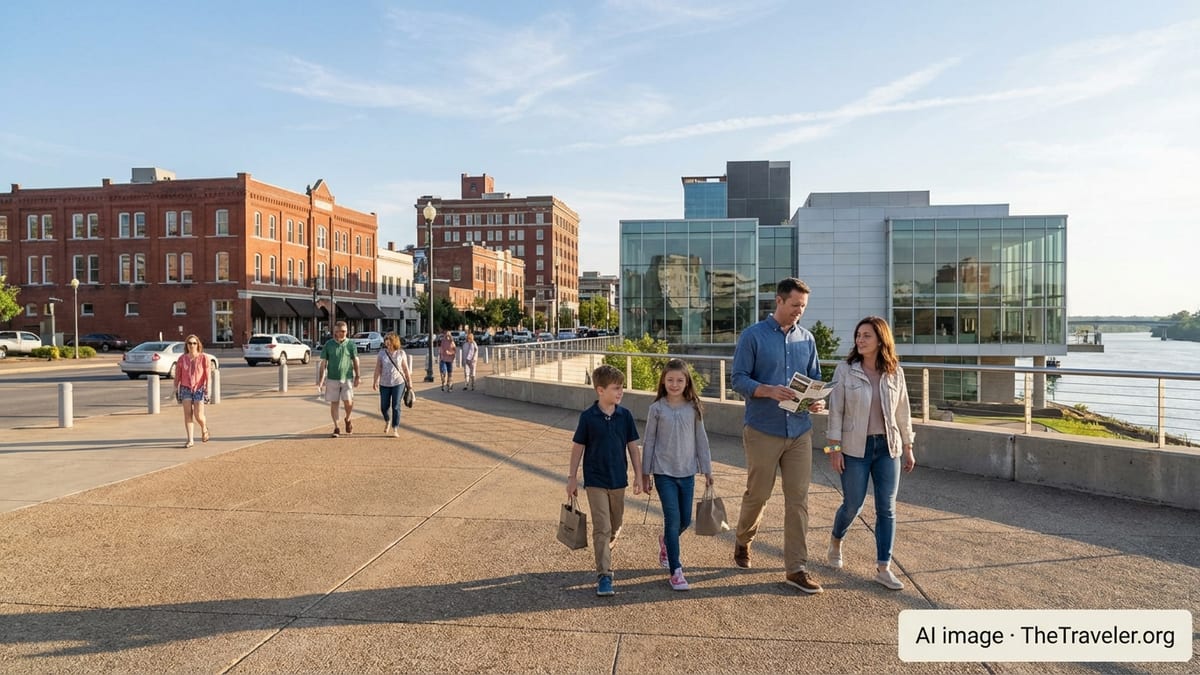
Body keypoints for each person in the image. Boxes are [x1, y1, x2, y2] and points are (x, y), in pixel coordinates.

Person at [730, 277, 826, 594]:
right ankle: (743, 540)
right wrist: (766, 390)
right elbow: (738, 379)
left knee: (798, 500)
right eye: (796, 305)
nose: (799, 311)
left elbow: (815, 378)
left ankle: (796, 568)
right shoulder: (753, 336)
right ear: (779, 301)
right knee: (758, 495)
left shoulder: (807, 339)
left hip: (799, 431)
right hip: (763, 429)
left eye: (803, 307)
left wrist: (816, 400)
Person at [825, 316, 916, 590]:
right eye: (858, 335)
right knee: (853, 505)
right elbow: (835, 412)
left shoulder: (894, 372)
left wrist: (909, 447)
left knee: (886, 509)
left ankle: (883, 568)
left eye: (866, 336)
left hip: (888, 448)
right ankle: (836, 540)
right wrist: (833, 449)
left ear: (880, 340)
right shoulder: (845, 370)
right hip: (854, 449)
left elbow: (904, 412)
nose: (860, 340)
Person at [566, 364, 643, 597]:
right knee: (602, 527)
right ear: (600, 390)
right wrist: (572, 478)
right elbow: (578, 447)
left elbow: (633, 447)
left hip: (618, 480)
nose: (620, 393)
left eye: (622, 388)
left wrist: (639, 475)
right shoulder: (588, 417)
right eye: (616, 388)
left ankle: (605, 550)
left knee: (615, 525)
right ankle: (604, 575)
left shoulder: (625, 416)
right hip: (595, 480)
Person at [640, 358, 713, 591]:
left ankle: (666, 543)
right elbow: (649, 441)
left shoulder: (694, 408)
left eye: (679, 380)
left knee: (685, 520)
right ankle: (676, 570)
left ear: (687, 382)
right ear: (663, 381)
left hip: (687, 472)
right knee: (672, 520)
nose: (674, 384)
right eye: (670, 380)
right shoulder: (657, 409)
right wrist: (645, 473)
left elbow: (701, 440)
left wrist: (707, 469)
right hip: (664, 472)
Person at [317, 321, 361, 438]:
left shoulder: (350, 344)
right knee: (334, 403)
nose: (341, 333)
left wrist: (358, 376)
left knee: (348, 401)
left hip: (347, 378)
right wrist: (321, 380)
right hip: (332, 378)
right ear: (335, 332)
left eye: (344, 331)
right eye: (339, 331)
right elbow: (323, 363)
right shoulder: (328, 344)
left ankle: (348, 418)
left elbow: (355, 360)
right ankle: (336, 427)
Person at [174, 334, 211, 449]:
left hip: (199, 389)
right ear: (186, 345)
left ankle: (204, 428)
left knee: (198, 415)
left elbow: (207, 375)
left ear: (198, 344)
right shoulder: (182, 359)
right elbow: (177, 375)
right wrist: (176, 388)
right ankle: (190, 439)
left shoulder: (204, 358)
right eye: (189, 343)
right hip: (185, 388)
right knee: (188, 414)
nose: (192, 345)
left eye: (194, 343)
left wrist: (208, 388)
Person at [373, 332, 412, 438]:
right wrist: (375, 381)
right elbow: (378, 368)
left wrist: (409, 382)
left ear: (394, 342)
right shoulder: (381, 353)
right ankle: (387, 420)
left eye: (389, 341)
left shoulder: (401, 353)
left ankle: (395, 428)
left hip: (398, 382)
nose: (387, 344)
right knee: (384, 407)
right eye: (386, 341)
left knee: (396, 406)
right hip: (384, 383)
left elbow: (405, 368)